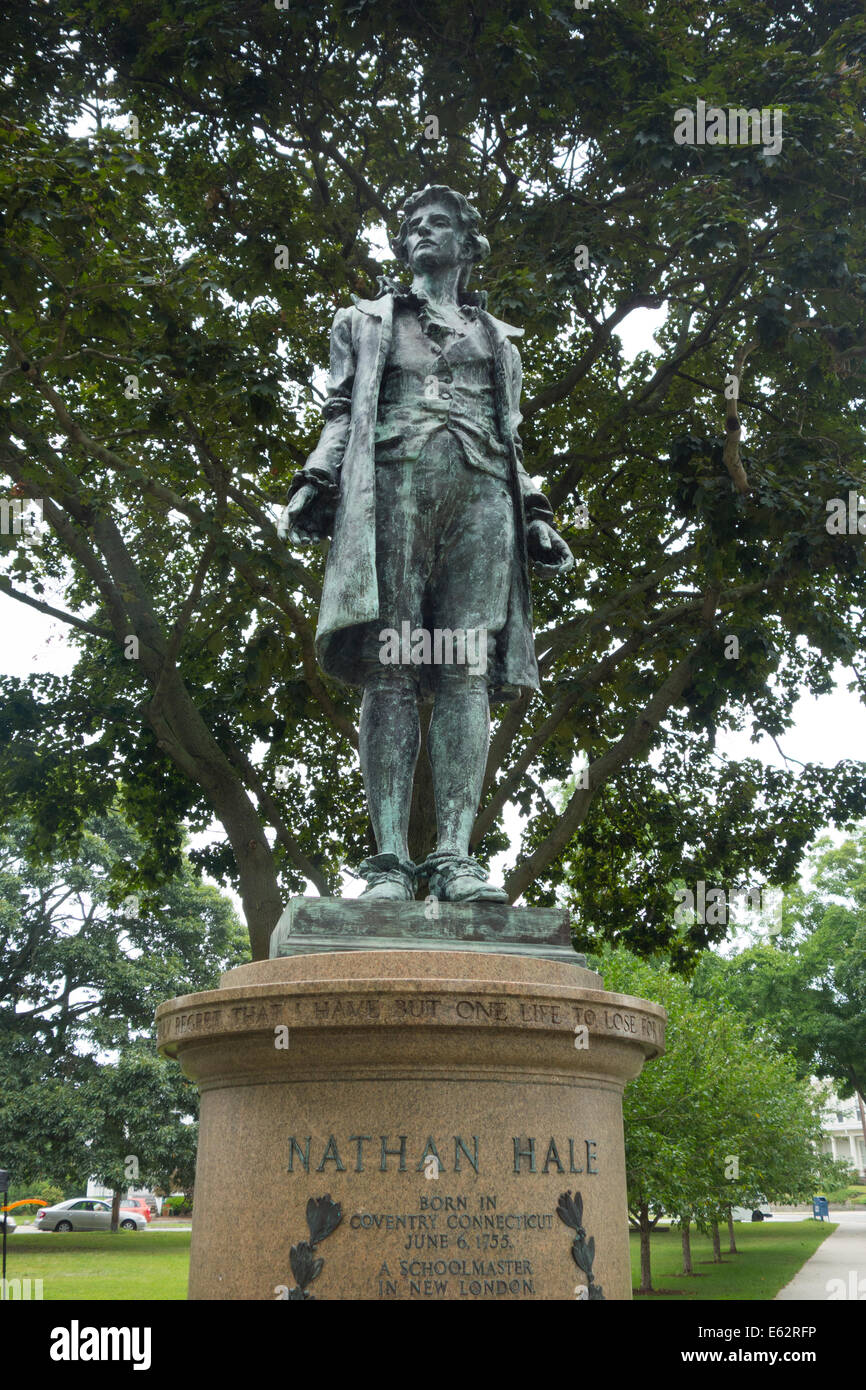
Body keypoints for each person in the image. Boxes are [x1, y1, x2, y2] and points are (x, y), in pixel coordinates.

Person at [281, 186, 573, 902]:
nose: (420, 233)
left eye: (437, 223)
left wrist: (535, 511)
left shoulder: (501, 340)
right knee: (393, 666)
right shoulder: (363, 321)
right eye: (409, 226)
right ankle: (386, 863)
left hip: (481, 496)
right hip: (392, 483)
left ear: (469, 245)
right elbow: (341, 410)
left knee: (465, 670)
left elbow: (511, 436)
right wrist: (316, 480)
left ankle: (453, 859)